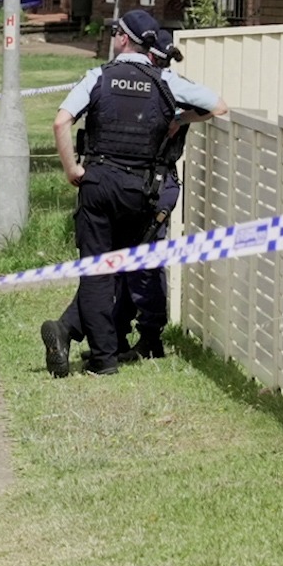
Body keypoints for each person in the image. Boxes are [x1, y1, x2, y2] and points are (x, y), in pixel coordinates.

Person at [42, 10, 226, 377]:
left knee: (96, 273)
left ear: (124, 39)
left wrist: (72, 170)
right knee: (128, 264)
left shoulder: (99, 77)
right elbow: (218, 106)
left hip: (99, 182)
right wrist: (180, 120)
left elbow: (62, 120)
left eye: (115, 32)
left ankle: (104, 359)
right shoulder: (165, 82)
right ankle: (93, 336)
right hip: (143, 191)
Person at [111, 30, 190, 362]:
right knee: (127, 261)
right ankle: (118, 335)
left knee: (144, 263)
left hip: (155, 185)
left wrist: (180, 119)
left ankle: (150, 339)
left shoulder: (167, 85)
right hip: (137, 182)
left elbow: (214, 105)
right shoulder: (157, 83)